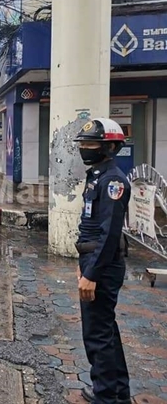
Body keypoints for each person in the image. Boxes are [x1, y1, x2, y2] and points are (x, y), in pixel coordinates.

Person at [73, 118, 131, 404]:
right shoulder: (97, 175)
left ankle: (106, 396)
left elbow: (109, 234)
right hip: (93, 260)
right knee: (105, 330)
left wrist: (92, 273)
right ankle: (117, 392)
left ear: (110, 147)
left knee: (96, 335)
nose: (84, 148)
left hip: (102, 266)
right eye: (82, 144)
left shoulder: (113, 181)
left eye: (90, 144)